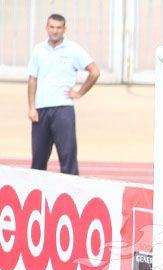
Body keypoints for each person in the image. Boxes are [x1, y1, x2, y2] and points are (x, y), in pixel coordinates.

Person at [27, 13, 100, 175]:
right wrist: (32, 107)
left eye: (58, 28)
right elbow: (32, 79)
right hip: (41, 110)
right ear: (47, 28)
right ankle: (37, 195)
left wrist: (80, 92)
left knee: (67, 158)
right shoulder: (38, 50)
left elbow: (94, 72)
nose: (55, 31)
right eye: (52, 27)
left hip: (63, 109)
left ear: (64, 29)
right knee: (38, 160)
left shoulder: (73, 50)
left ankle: (71, 196)